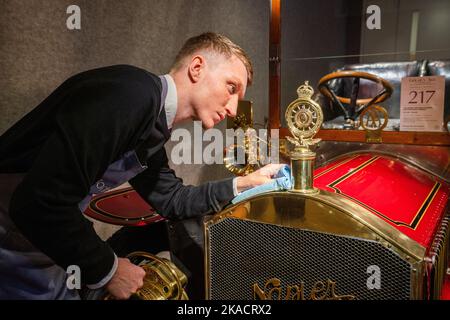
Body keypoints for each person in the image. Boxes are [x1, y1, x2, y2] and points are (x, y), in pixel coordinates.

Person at [0, 32, 283, 300]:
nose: (233, 109)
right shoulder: (129, 95)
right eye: (231, 88)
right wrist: (108, 269)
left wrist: (244, 183)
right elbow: (39, 201)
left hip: (39, 245)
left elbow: (173, 199)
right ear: (197, 68)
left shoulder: (150, 122)